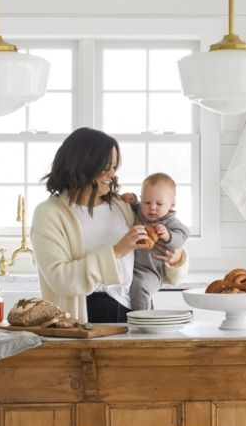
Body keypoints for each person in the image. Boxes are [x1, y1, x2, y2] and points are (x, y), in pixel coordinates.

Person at [30, 127, 188, 324]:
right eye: (108, 167)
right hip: (81, 315)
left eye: (115, 167)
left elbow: (150, 259)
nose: (113, 175)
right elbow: (61, 279)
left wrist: (176, 259)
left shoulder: (122, 206)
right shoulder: (50, 214)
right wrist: (116, 251)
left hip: (133, 310)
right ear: (84, 165)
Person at [124, 172, 191, 311]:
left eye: (159, 204)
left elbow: (183, 236)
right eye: (147, 202)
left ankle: (143, 318)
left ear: (172, 204)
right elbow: (133, 205)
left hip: (152, 271)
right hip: (131, 266)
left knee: (140, 287)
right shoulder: (141, 211)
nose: (152, 207)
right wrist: (131, 200)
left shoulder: (170, 221)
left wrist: (168, 236)